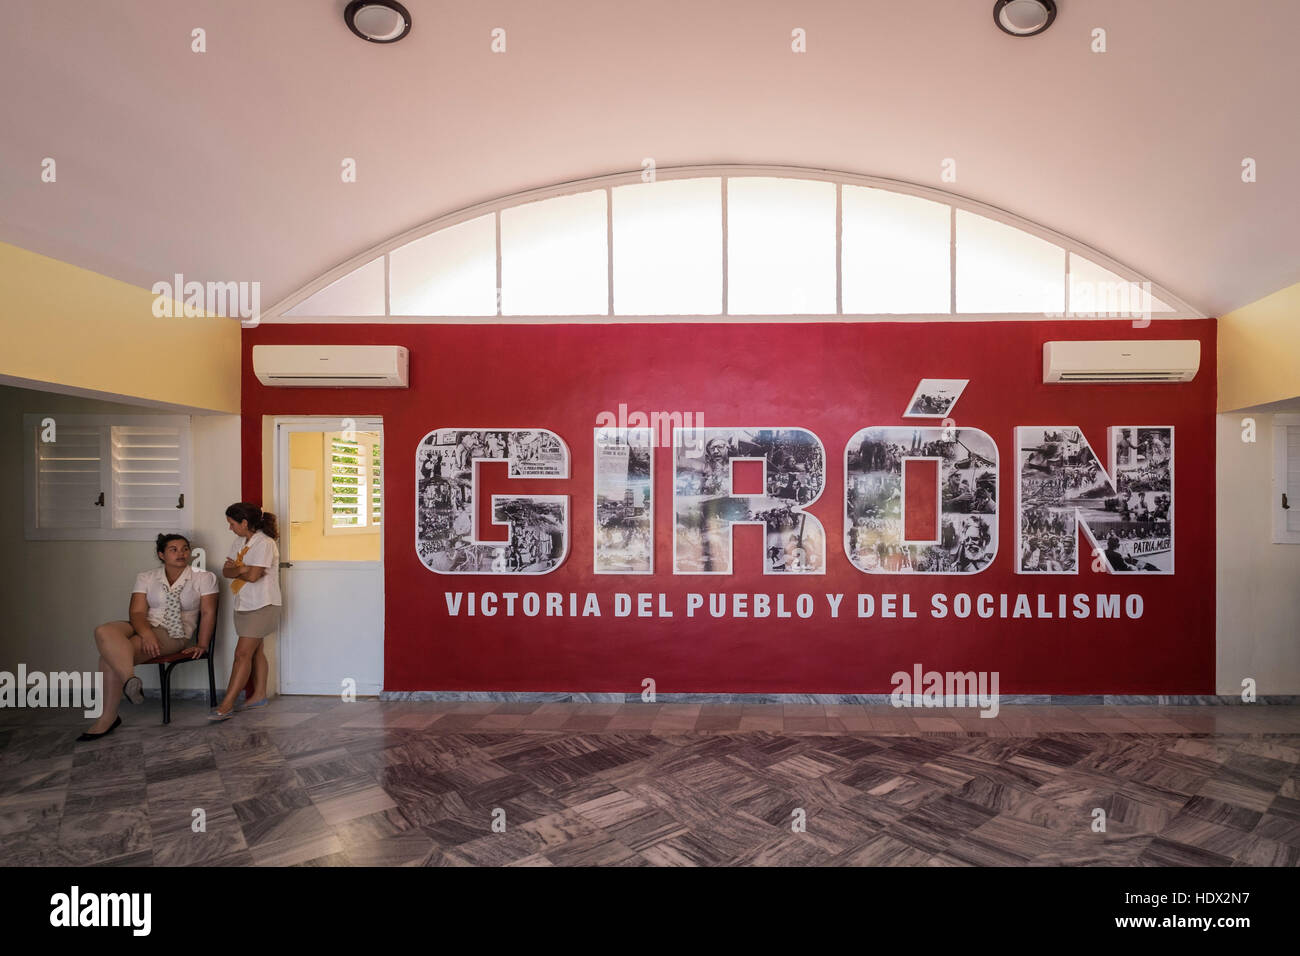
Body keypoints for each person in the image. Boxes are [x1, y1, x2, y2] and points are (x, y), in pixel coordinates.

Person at [78, 534, 218, 740]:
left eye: (185, 549)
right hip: (145, 626)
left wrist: (203, 643)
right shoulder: (147, 576)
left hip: (174, 632)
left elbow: (208, 613)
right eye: (174, 549)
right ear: (161, 554)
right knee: (103, 631)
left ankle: (106, 719)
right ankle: (129, 680)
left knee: (107, 658)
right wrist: (146, 633)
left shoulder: (204, 577)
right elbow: (136, 613)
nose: (181, 553)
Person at [211, 502, 282, 720]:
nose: (229, 528)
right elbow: (225, 571)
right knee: (256, 650)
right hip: (243, 603)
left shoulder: (266, 544)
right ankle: (259, 695)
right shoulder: (239, 542)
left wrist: (239, 569)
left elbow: (253, 577)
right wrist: (242, 569)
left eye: (232, 523)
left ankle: (227, 704)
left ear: (244, 522)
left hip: (262, 604)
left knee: (242, 654)